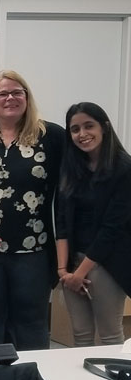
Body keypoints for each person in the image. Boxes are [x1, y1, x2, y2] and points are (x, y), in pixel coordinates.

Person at [0, 70, 65, 351]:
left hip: (34, 253)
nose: (10, 98)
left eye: (17, 92)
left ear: (27, 98)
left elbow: (73, 186)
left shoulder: (51, 136)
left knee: (31, 324)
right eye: (2, 94)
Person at [56, 102, 131, 346]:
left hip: (106, 263)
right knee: (79, 336)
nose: (82, 134)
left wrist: (80, 274)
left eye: (89, 126)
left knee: (110, 335)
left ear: (105, 127)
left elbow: (112, 228)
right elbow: (63, 222)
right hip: (71, 265)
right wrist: (63, 271)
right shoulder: (71, 168)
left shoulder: (124, 169)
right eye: (75, 129)